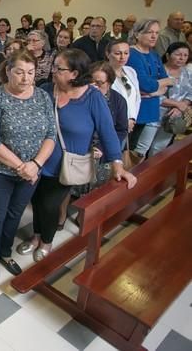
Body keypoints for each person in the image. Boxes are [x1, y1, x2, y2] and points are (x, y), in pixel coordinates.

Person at [16, 49, 136, 262]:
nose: (53, 71)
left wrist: (117, 164)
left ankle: (46, 241)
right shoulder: (45, 90)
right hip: (38, 161)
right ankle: (35, 236)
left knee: (50, 205)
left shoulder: (92, 97)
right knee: (37, 200)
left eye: (59, 68)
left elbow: (108, 131)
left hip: (66, 165)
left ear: (74, 73)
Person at [0, 50, 56, 283]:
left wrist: (35, 164)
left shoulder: (42, 97)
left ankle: (5, 252)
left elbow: (51, 134)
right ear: (8, 71)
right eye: (20, 72)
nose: (25, 78)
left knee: (15, 214)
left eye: (30, 73)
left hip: (33, 170)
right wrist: (22, 166)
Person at [127, 19, 175, 159]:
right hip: (136, 111)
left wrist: (154, 90)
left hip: (150, 107)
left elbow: (168, 82)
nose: (154, 36)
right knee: (129, 150)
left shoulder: (154, 54)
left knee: (140, 151)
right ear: (137, 34)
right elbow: (145, 85)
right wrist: (158, 86)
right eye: (149, 32)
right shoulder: (132, 54)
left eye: (156, 33)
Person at [147, 42, 192, 156]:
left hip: (173, 116)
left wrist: (180, 107)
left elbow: (190, 94)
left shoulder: (187, 72)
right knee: (143, 147)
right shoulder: (158, 70)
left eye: (185, 55)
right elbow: (153, 93)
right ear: (168, 55)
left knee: (159, 147)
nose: (182, 58)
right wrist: (177, 104)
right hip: (154, 113)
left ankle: (153, 172)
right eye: (178, 54)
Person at [107, 39, 140, 135]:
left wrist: (132, 118)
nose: (122, 57)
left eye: (126, 53)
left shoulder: (131, 71)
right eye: (118, 53)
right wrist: (123, 122)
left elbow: (137, 98)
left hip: (129, 122)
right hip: (113, 124)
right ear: (108, 54)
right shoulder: (103, 73)